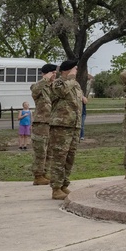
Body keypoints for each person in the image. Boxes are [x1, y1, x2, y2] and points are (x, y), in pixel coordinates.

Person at [47, 60, 85, 200]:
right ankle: (56, 188)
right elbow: (62, 92)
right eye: (74, 68)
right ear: (67, 70)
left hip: (74, 126)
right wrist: (70, 78)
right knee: (59, 158)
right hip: (61, 127)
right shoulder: (58, 83)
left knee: (70, 157)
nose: (76, 71)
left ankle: (64, 185)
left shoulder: (75, 84)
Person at [30, 63, 58, 185]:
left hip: (52, 123)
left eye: (55, 73)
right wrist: (45, 79)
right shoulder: (39, 86)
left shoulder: (54, 87)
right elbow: (35, 90)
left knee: (50, 150)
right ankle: (38, 175)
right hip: (41, 123)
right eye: (52, 73)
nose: (54, 75)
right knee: (40, 150)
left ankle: (45, 173)